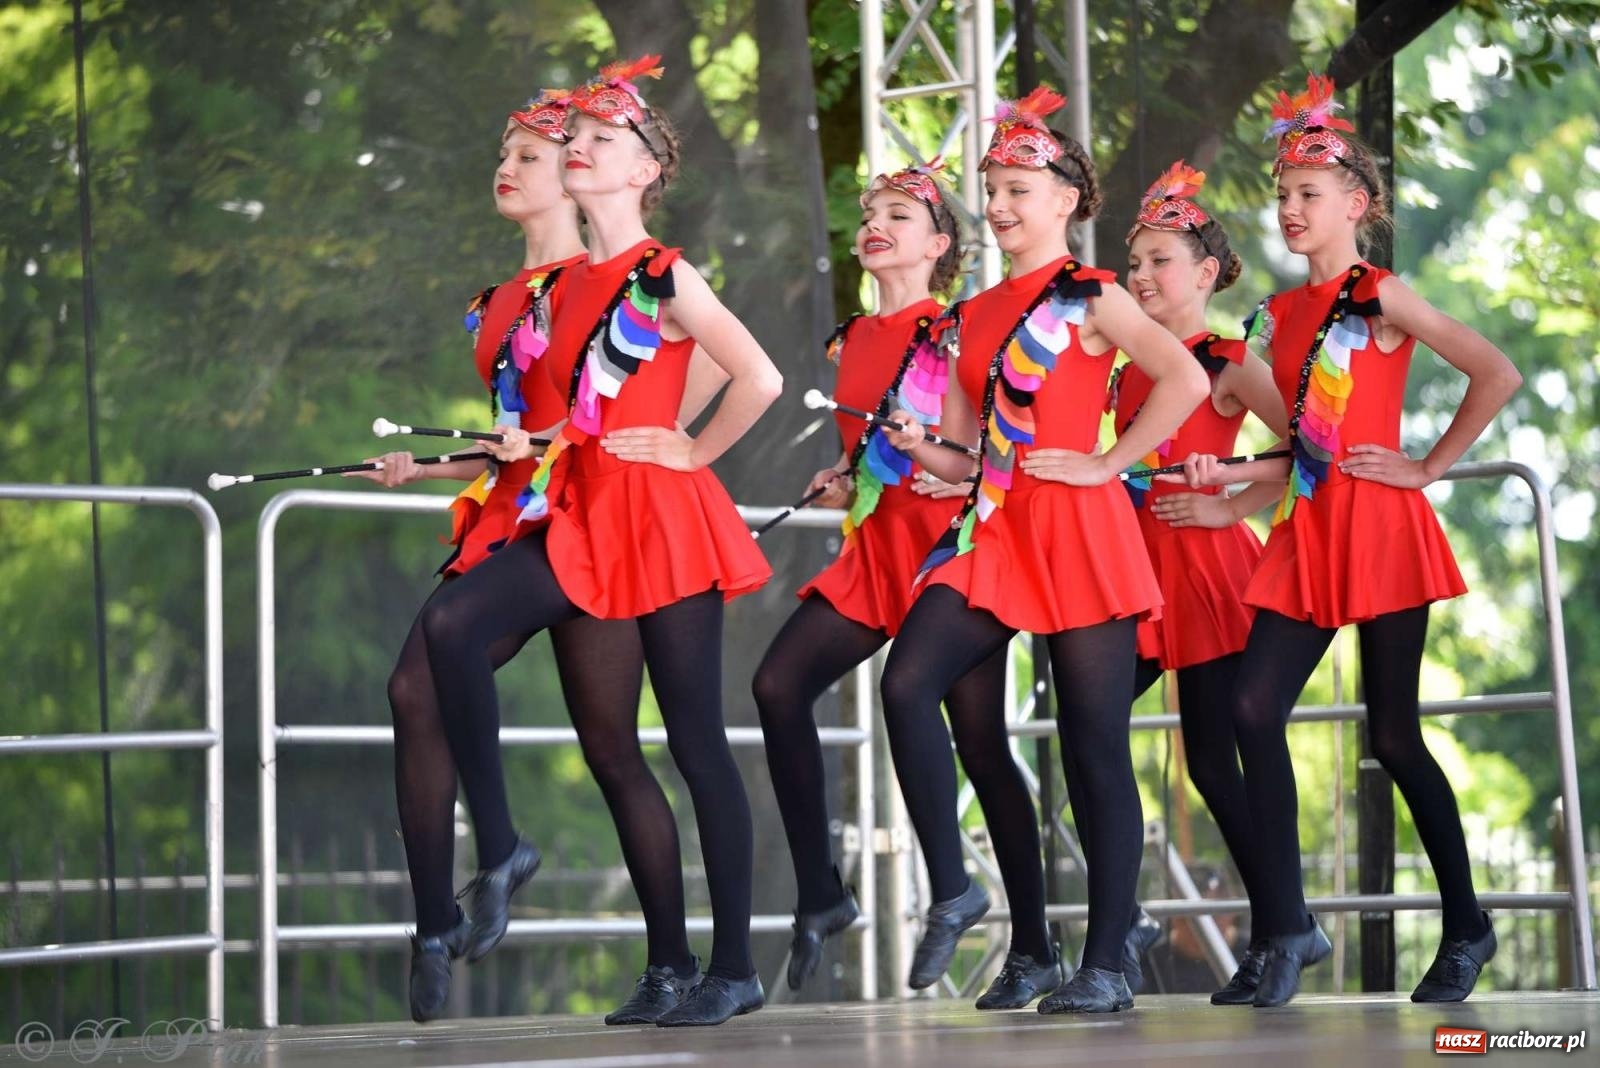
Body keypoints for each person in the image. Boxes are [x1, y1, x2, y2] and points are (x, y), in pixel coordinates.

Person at [418, 56, 783, 1028]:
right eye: (572, 138)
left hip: (663, 523)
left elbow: (757, 375)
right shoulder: (567, 285)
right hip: (579, 516)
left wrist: (687, 447)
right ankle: (654, 957)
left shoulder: (664, 273)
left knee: (695, 742)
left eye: (601, 140)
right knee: (462, 631)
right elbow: (574, 414)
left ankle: (733, 968)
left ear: (643, 170)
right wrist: (521, 445)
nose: (578, 149)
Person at [1174, 74, 1520, 1007]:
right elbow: (1299, 445)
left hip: (1380, 529)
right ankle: (1286, 928)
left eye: (1308, 194)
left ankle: (1468, 925)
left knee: (1396, 736)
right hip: (1306, 532)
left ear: (1356, 204)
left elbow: (1495, 372)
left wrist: (1428, 465)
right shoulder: (1276, 317)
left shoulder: (1381, 296)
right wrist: (1232, 491)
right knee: (1252, 709)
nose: (1290, 209)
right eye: (1283, 194)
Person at [880, 85, 1209, 1013]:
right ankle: (962, 892)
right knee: (907, 682)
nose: (997, 205)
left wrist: (1109, 461)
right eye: (991, 189)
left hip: (1079, 531)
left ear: (1065, 199)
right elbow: (966, 450)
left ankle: (1104, 964)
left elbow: (1183, 380)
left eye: (1016, 189)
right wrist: (921, 450)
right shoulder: (972, 315)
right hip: (993, 530)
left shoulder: (1094, 295)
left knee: (1094, 748)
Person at [753, 160, 1057, 1008]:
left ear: (938, 244)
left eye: (898, 215)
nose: (875, 226)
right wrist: (845, 479)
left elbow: (989, 449)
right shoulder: (852, 339)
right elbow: (874, 455)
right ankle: (823, 891)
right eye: (870, 214)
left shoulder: (958, 330)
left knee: (978, 739)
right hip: (876, 549)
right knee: (777, 686)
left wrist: (948, 461)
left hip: (951, 551)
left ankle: (1007, 927)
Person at [1098, 160, 1287, 1000]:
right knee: (1089, 722)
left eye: (1158, 261)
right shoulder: (1123, 361)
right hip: (1136, 571)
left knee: (1213, 763)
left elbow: (1304, 452)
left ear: (1206, 273)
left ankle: (1282, 926)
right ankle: (1124, 917)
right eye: (1133, 262)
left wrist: (1230, 500)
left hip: (1207, 573)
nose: (1139, 275)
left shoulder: (1229, 359)